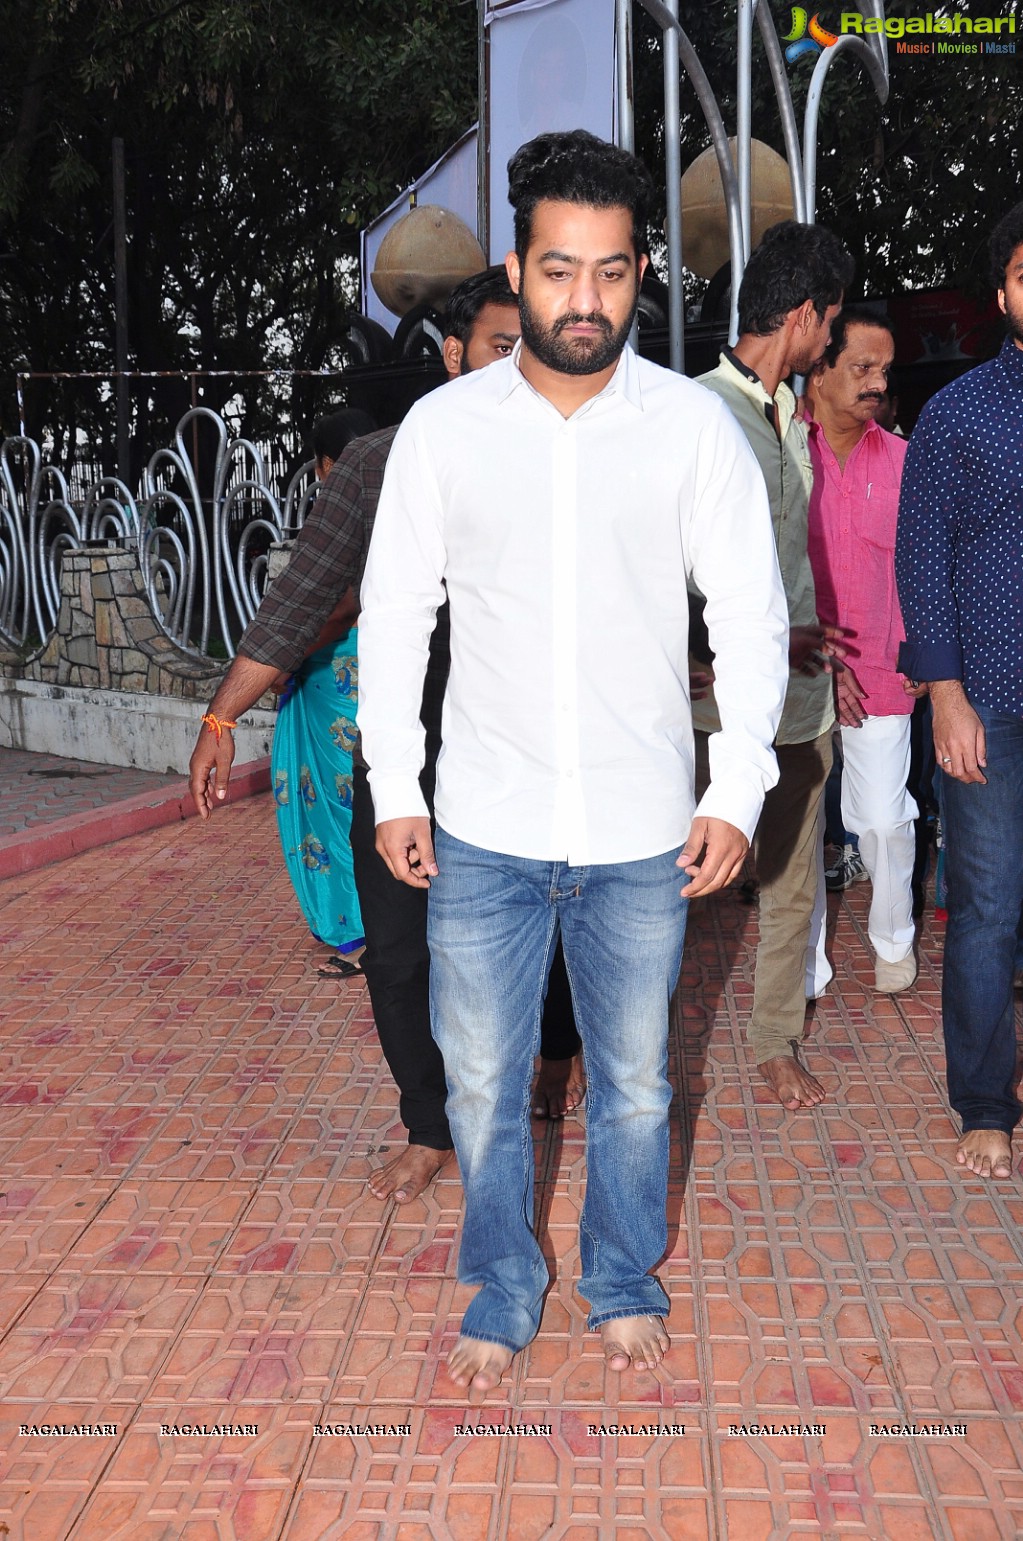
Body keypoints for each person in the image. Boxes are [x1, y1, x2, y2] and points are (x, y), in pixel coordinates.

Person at [358, 129, 789, 1392]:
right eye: (558, 271)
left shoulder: (690, 432)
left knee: (639, 1084)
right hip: (484, 819)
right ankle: (501, 1283)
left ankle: (620, 1279)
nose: (585, 300)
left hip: (642, 829)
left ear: (640, 271)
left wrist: (737, 787)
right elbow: (397, 615)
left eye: (609, 272)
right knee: (485, 1080)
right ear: (517, 267)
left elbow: (752, 621)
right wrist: (395, 785)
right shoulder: (442, 432)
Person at [188, 268, 582, 1211]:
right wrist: (219, 714)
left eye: (523, 348)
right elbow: (300, 594)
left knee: (555, 934)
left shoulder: (565, 456)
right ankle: (427, 1122)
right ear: (452, 353)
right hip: (403, 755)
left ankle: (554, 1059)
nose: (512, 366)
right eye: (495, 346)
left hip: (529, 755)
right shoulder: (379, 463)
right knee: (400, 953)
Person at [697, 221, 854, 1112]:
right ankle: (597, 1046)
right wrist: (696, 650)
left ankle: (773, 1041)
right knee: (658, 880)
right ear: (799, 317)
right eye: (826, 323)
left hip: (800, 705)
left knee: (794, 878)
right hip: (709, 708)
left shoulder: (789, 412)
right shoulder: (695, 414)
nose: (829, 342)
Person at [895, 200, 1023, 1182]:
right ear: (1005, 290)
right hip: (989, 704)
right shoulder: (958, 413)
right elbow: (921, 558)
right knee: (986, 906)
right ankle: (984, 1097)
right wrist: (943, 693)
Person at [805, 310, 918, 992]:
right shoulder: (785, 454)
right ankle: (807, 962)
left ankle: (892, 938)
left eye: (883, 370)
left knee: (881, 818)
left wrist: (923, 657)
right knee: (797, 828)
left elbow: (925, 568)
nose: (876, 383)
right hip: (800, 672)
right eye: (860, 368)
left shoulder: (907, 463)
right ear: (820, 367)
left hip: (884, 668)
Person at [270, 408, 375, 974]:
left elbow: (337, 609)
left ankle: (360, 935)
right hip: (365, 676)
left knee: (340, 808)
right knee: (362, 800)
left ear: (326, 464)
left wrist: (280, 663)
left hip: (333, 676)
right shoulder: (396, 505)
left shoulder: (343, 515)